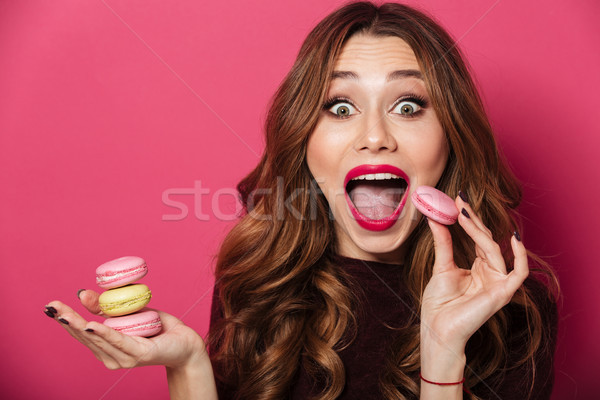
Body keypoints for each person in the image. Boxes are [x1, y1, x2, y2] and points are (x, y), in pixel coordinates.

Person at [46, 2, 559, 399]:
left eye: (408, 105)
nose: (374, 136)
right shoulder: (258, 280)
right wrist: (188, 365)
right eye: (340, 106)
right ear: (304, 141)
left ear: (451, 138)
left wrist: (445, 353)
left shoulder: (513, 310)